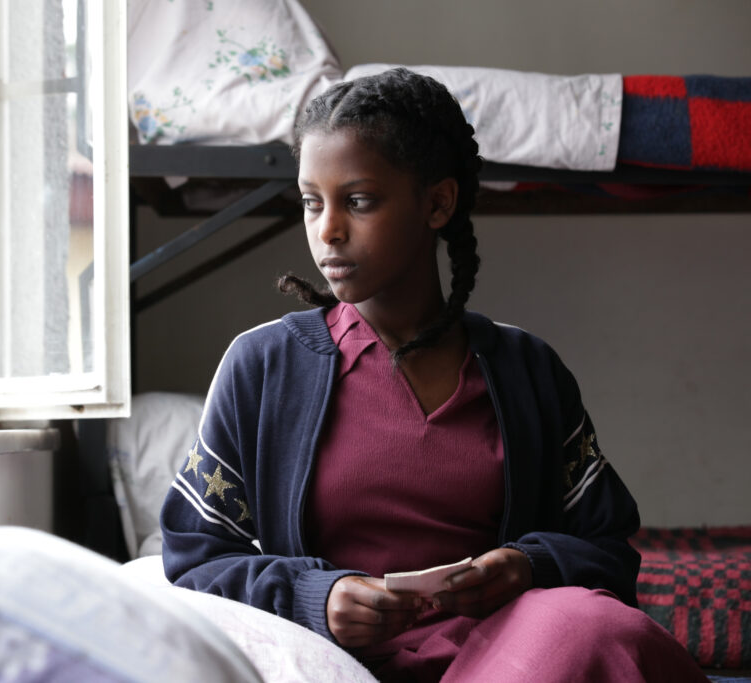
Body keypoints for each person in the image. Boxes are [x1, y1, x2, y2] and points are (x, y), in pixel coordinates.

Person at [160, 67, 707, 682]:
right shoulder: (264, 367)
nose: (327, 230)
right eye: (312, 203)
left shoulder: (527, 370)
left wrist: (526, 567)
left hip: (512, 658)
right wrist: (318, 596)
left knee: (599, 629)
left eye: (359, 201)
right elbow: (194, 560)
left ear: (438, 202)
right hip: (332, 664)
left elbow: (607, 550)